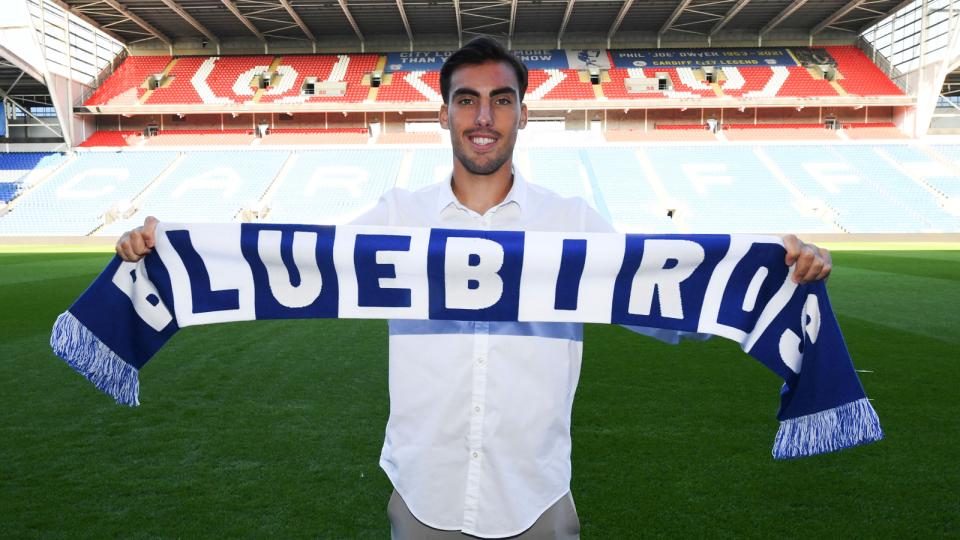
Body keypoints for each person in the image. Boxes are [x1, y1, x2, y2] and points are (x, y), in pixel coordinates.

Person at [116, 37, 832, 539]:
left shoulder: (573, 222)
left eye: (500, 100)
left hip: (538, 495)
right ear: (444, 114)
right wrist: (164, 248)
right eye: (466, 100)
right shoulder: (394, 220)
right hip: (424, 491)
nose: (483, 116)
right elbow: (289, 260)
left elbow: (666, 309)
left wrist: (774, 264)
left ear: (522, 112)